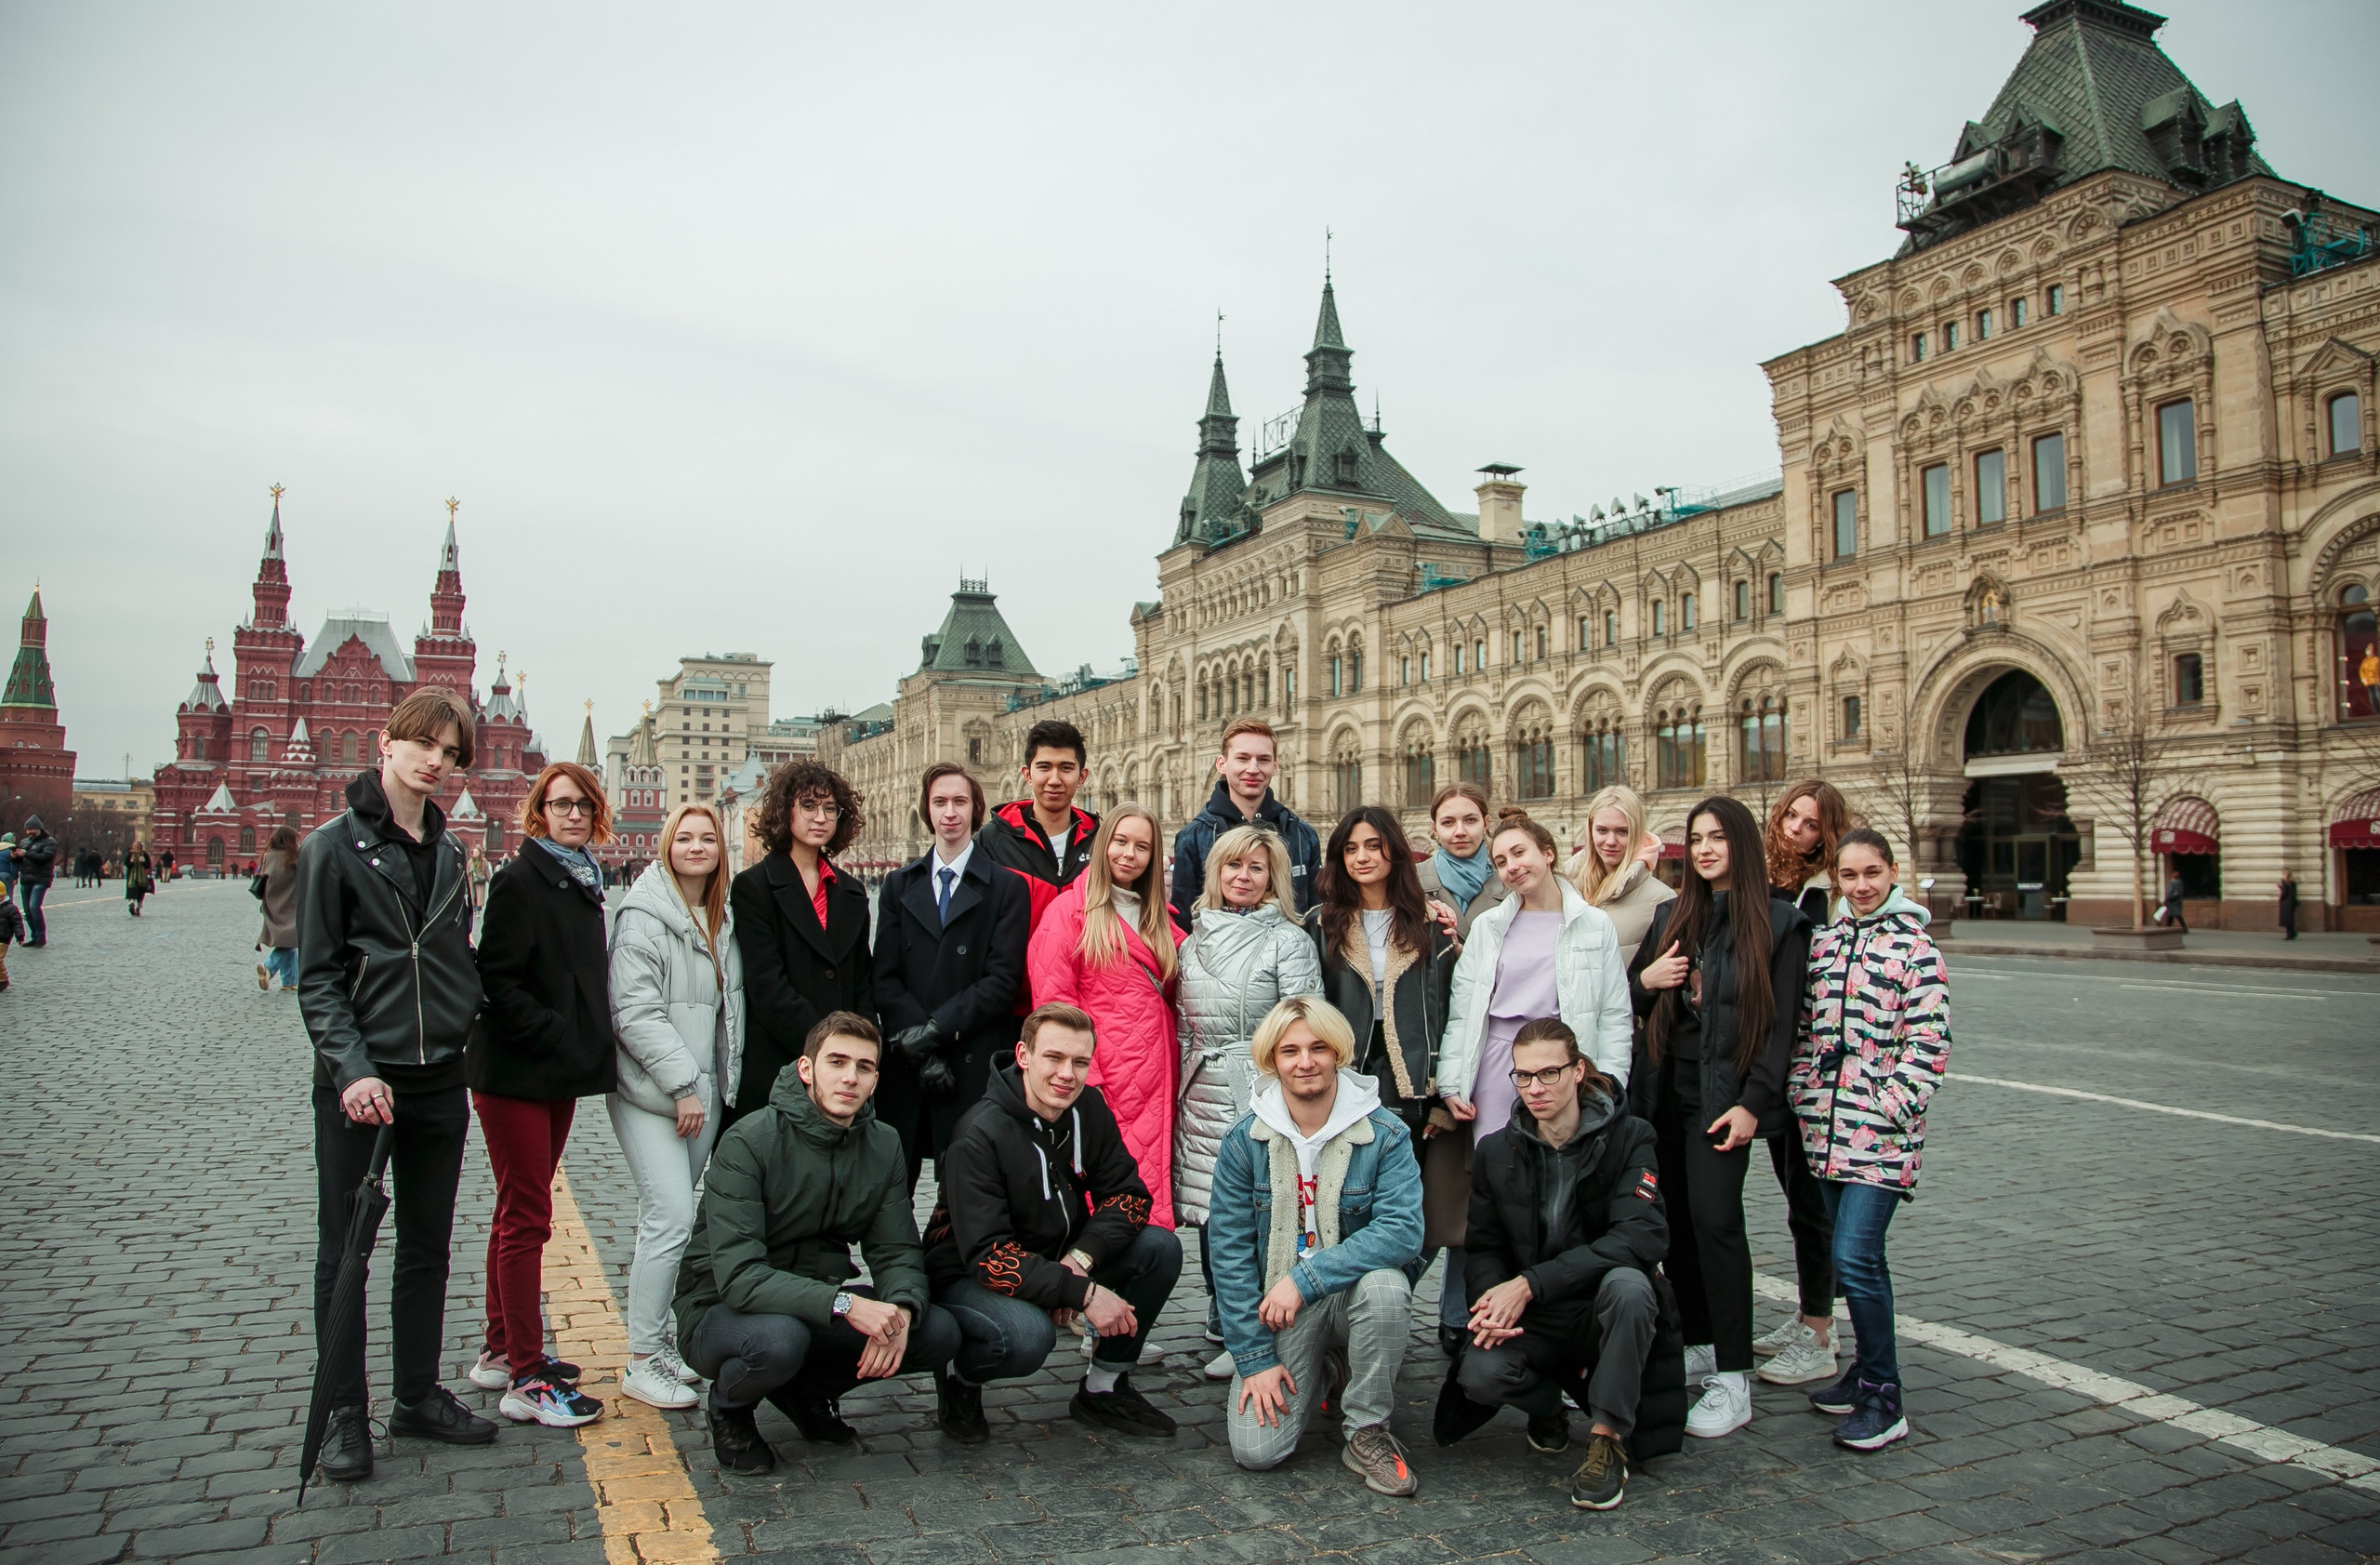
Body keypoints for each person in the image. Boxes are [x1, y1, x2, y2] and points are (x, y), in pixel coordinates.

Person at [296, 689, 497, 1484]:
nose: (435, 761)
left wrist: (469, 1021)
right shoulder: (333, 847)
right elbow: (318, 978)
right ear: (387, 742)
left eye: (450, 753)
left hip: (439, 1075)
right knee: (346, 1251)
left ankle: (415, 1394)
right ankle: (346, 1411)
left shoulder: (450, 852)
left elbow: (453, 955)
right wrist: (351, 1070)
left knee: (426, 1246)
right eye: (424, 744)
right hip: (364, 1081)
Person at [673, 1012, 962, 1471]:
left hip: (813, 1305)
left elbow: (896, 1251)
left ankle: (807, 1391)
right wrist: (846, 1304)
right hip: (720, 1310)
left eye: (864, 1067)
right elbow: (740, 1278)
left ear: (875, 1081)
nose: (850, 1077)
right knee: (780, 1339)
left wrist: (903, 1308)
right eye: (837, 1062)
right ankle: (730, 1406)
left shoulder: (883, 1144)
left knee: (937, 1331)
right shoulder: (747, 1140)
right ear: (807, 1069)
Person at [1625, 794, 1812, 1441]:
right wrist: (1647, 980)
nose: (1705, 850)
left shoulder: (1780, 924)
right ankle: (1699, 1343)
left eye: (1718, 838)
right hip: (1662, 1095)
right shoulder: (1671, 915)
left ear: (1743, 845)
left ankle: (1734, 1377)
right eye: (1697, 839)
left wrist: (1753, 1104)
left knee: (1717, 1224)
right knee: (1674, 1224)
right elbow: (1628, 998)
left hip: (1723, 1099)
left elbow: (1782, 1029)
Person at [1439, 1018, 1683, 1510]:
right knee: (1480, 1373)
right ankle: (1549, 1408)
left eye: (1549, 1073)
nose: (1535, 1088)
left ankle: (1607, 1440)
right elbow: (1483, 1247)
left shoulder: (1630, 1137)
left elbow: (1640, 1236)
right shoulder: (1495, 1150)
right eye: (1523, 1076)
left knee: (1632, 1287)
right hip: (1536, 1317)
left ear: (1577, 1071)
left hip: (1599, 1303)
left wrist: (1530, 1284)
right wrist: (1489, 1304)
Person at [923, 1002, 1183, 1442]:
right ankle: (959, 1377)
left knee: (1159, 1249)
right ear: (1023, 1056)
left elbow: (1129, 1197)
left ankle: (1104, 1387)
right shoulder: (978, 1135)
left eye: (1080, 1062)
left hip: (1058, 1257)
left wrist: (1079, 1262)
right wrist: (1081, 1293)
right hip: (968, 1275)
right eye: (1054, 1058)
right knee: (1027, 1337)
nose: (1067, 1074)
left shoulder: (1088, 1107)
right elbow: (990, 1258)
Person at [1209, 996, 1424, 1496]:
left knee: (1387, 1287)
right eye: (1290, 1051)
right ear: (1272, 1060)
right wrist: (1255, 1360)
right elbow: (1229, 1255)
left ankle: (1367, 1429)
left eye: (1318, 1048)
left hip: (1349, 1292)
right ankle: (1327, 1367)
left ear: (1338, 1053)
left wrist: (1306, 1279)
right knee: (1257, 1451)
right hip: (1281, 1308)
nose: (1305, 1062)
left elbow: (1402, 1230)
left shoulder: (1385, 1133)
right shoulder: (1245, 1140)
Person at [464, 762, 617, 1428]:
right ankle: (526, 1377)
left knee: (516, 1209)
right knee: (528, 1216)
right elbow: (496, 981)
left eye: (583, 804)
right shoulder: (520, 879)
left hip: (553, 1071)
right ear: (539, 812)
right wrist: (557, 1031)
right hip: (516, 1072)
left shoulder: (581, 877)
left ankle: (501, 1348)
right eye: (561, 804)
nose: (573, 814)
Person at [1791, 829, 1950, 1451]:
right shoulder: (1825, 943)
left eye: (1872, 873)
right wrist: (1804, 1092)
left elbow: (1930, 1040)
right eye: (1850, 875)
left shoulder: (1916, 947)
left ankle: (1884, 1395)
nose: (1861, 886)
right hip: (1826, 1128)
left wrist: (1891, 1105)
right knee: (1847, 1256)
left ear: (1892, 873)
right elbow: (1805, 1028)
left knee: (1858, 1255)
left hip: (1881, 1134)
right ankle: (1864, 1370)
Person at [1174, 824, 1325, 1380]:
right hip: (1201, 1092)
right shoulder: (1191, 942)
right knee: (1214, 1215)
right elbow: (1183, 1025)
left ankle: (1262, 1333)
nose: (1243, 876)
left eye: (1256, 868)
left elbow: (1305, 1025)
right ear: (1215, 872)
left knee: (1264, 1213)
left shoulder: (1289, 940)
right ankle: (1229, 1319)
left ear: (1272, 879)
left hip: (1261, 1092)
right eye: (1233, 865)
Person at [609, 801, 743, 1412]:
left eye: (706, 838)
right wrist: (683, 1085)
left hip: (702, 1093)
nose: (696, 847)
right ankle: (642, 1358)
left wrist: (717, 1085)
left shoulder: (720, 912)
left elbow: (726, 1010)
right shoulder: (643, 914)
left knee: (670, 1220)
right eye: (684, 837)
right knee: (668, 1217)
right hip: (654, 1092)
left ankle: (659, 1345)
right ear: (666, 845)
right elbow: (634, 1011)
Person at [873, 763, 1031, 1186]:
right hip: (909, 1062)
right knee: (892, 1187)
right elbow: (884, 979)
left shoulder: (1007, 887)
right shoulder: (898, 885)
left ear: (975, 808)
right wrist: (922, 1051)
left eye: (960, 801)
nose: (949, 812)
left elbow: (1002, 981)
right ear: (927, 810)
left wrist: (934, 1032)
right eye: (939, 801)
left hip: (971, 1059)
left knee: (966, 1189)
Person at [1027, 802, 1183, 1225]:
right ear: (1102, 846)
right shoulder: (1068, 913)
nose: (1129, 854)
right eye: (1120, 842)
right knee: (1104, 1200)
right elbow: (1053, 1006)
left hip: (1155, 1080)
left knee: (1144, 1202)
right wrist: (1084, 1077)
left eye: (1142, 847)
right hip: (1102, 1080)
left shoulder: (1162, 919)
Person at [1752, 781, 1855, 1388]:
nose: (1796, 828)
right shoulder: (1771, 879)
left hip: (1813, 1065)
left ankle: (1820, 1332)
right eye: (1791, 815)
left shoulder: (1828, 893)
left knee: (1813, 1203)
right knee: (1796, 1197)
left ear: (1827, 832)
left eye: (1811, 823)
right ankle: (1810, 1313)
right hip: (1774, 1059)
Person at [730, 761, 873, 1134]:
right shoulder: (754, 886)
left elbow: (861, 983)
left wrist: (861, 1052)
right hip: (780, 1060)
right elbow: (766, 984)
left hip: (844, 1072)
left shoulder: (852, 891)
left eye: (830, 808)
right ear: (785, 811)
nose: (820, 818)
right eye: (808, 806)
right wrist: (825, 1049)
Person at [1169, 718, 1322, 922]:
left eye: (1263, 760)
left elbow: (1315, 917)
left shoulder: (1302, 836)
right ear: (1222, 764)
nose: (1253, 769)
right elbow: (1184, 920)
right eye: (1243, 758)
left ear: (1275, 766)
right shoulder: (1194, 837)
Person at [977, 719, 1100, 936]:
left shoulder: (1100, 839)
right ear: (1027, 775)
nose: (1054, 780)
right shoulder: (993, 839)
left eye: (1066, 768)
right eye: (1044, 767)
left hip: (1083, 959)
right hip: (1014, 960)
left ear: (1082, 777)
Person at [1567, 786, 1677, 967]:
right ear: (1590, 830)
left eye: (1622, 831)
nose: (1611, 841)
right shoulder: (1564, 886)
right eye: (1602, 830)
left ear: (1637, 833)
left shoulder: (1662, 900)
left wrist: (1642, 981)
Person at [1416, 782, 1510, 941]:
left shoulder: (1511, 881)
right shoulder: (1411, 881)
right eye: (1448, 823)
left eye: (1470, 820)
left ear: (1486, 823)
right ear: (1435, 828)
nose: (1460, 832)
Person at [251, 827, 298, 984]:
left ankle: (289, 981)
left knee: (288, 939)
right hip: (291, 904)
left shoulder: (267, 856)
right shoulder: (294, 856)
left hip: (271, 903)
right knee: (292, 938)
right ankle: (269, 967)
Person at [13, 817, 56, 947]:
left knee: (34, 906)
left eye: (31, 829)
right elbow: (20, 862)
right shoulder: (24, 842)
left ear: (39, 829)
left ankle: (41, 937)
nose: (28, 832)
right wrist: (14, 857)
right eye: (27, 829)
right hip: (26, 879)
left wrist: (26, 853)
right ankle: (34, 936)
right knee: (27, 910)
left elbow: (45, 858)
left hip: (41, 879)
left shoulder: (49, 842)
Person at [125, 840, 155, 920]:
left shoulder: (139, 854)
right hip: (138, 878)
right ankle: (136, 906)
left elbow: (148, 865)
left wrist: (142, 862)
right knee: (138, 892)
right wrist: (132, 862)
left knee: (134, 891)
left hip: (133, 878)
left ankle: (133, 904)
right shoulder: (135, 854)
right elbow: (127, 864)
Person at [2162, 869, 2190, 935]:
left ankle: (2169, 928)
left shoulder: (2173, 883)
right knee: (2173, 915)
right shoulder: (2179, 883)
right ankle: (2182, 928)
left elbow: (2172, 893)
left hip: (2172, 902)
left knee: (2175, 915)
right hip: (2176, 902)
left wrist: (2168, 899)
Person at [2279, 869, 2299, 940]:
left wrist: (2280, 899)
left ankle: (2289, 934)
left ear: (2285, 874)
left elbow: (2284, 893)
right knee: (2291, 919)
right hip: (2292, 902)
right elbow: (2294, 893)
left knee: (2286, 919)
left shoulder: (2284, 882)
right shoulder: (2293, 882)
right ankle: (2292, 933)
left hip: (2286, 903)